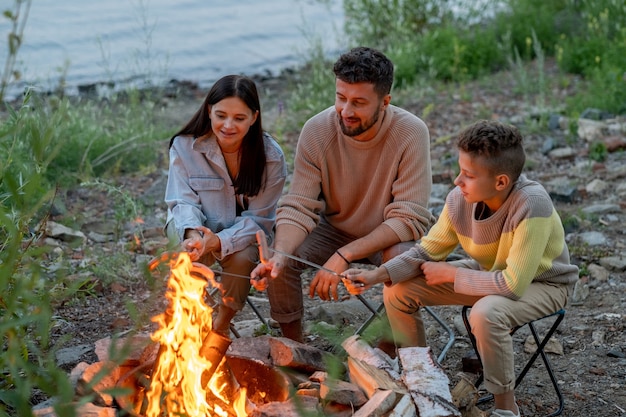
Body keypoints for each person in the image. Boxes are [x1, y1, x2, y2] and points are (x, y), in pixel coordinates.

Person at [343, 120, 579, 417]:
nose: (457, 181)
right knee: (399, 290)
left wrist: (453, 274)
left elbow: (513, 285)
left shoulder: (532, 205)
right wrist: (377, 275)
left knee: (487, 313)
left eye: (468, 175)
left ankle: (507, 410)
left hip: (544, 284)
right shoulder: (460, 201)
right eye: (460, 170)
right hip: (488, 272)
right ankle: (423, 384)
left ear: (501, 182)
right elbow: (426, 250)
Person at [250, 46, 436, 342]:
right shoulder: (317, 130)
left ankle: (387, 355)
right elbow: (299, 205)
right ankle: (294, 348)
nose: (346, 112)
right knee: (279, 254)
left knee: (403, 260)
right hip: (332, 229)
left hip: (386, 234)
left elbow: (408, 218)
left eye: (359, 103)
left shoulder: (411, 132)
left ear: (384, 102)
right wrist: (281, 255)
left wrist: (344, 256)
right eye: (341, 98)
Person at [164, 74, 287, 335]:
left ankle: (222, 323)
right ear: (209, 110)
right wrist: (194, 235)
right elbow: (183, 201)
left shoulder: (271, 158)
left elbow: (259, 220)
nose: (228, 125)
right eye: (221, 115)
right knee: (189, 254)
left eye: (239, 118)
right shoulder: (185, 145)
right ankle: (189, 323)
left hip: (244, 234)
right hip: (193, 225)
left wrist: (219, 242)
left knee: (242, 258)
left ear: (254, 118)